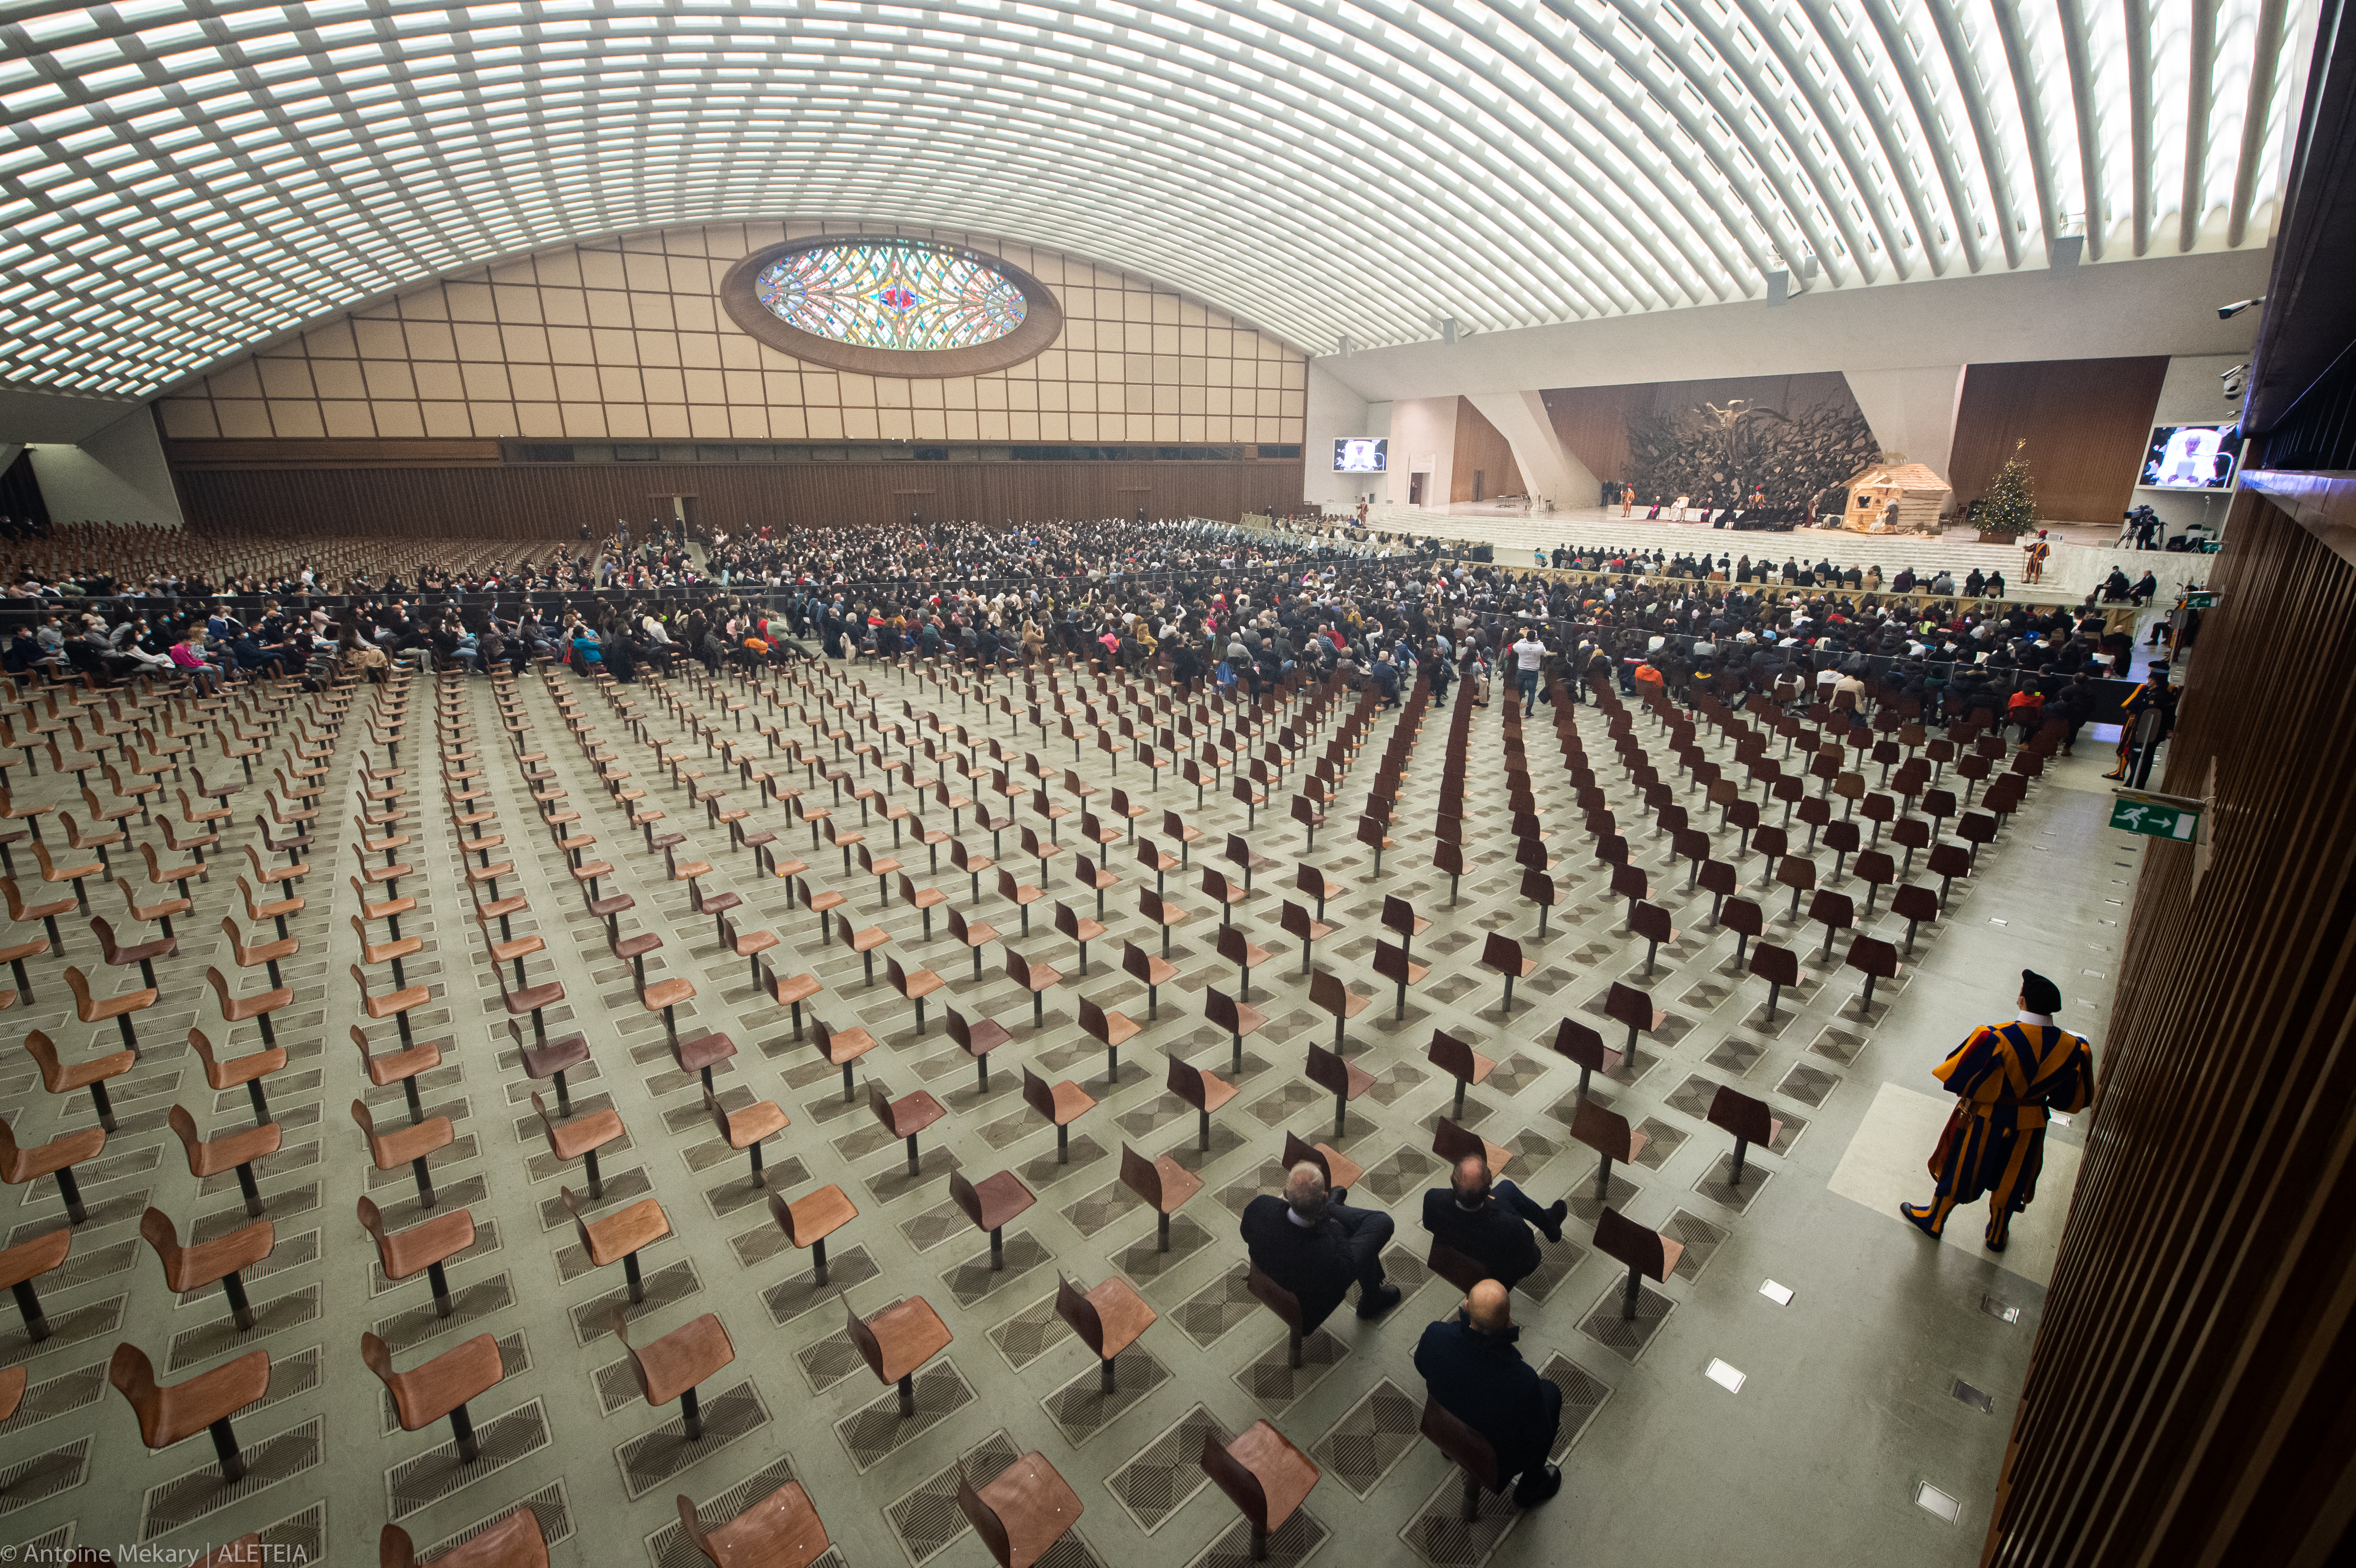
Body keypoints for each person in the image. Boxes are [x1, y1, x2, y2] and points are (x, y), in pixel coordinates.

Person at [1901, 970, 2094, 1251]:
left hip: (1988, 1117)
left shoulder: (1996, 1037)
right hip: (2032, 1122)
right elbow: (2074, 1101)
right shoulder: (2076, 1049)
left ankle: (1934, 1218)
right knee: (2014, 1177)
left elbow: (1957, 1077)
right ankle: (1997, 1234)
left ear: (2022, 1000)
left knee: (1964, 1169)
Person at [1412, 1281, 1564, 1506]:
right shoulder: (1522, 1379)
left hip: (1440, 1428)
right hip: (1493, 1460)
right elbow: (1538, 1434)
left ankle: (1449, 1450)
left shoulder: (1435, 1334)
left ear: (1466, 1307)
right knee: (1551, 1394)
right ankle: (1530, 1487)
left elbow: (1422, 1366)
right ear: (1509, 1323)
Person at [1240, 1162, 1401, 1330]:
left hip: (1265, 1279)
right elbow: (1345, 1265)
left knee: (1358, 1232)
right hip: (1310, 1307)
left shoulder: (1259, 1207)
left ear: (1286, 1193)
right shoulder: (1327, 1253)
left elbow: (1246, 1233)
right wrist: (1328, 1218)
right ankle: (1332, 1206)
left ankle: (1333, 1206)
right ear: (1323, 1197)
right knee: (1378, 1224)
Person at [1421, 1155, 1567, 1291]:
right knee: (1533, 1253)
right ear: (1490, 1188)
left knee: (1507, 1188)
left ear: (1452, 1180)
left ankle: (1549, 1221)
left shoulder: (1432, 1198)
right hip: (1495, 1276)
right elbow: (1528, 1252)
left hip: (1455, 1257)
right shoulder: (1509, 1224)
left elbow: (1429, 1225)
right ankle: (1550, 1226)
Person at [1509, 627, 1547, 714]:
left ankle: (1516, 708)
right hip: (1533, 672)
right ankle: (1528, 712)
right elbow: (1544, 651)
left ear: (1527, 637)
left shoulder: (1521, 646)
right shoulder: (1539, 647)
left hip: (1522, 671)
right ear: (1535, 638)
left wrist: (1523, 640)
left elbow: (1515, 647)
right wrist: (1539, 642)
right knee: (1532, 692)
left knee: (1518, 690)